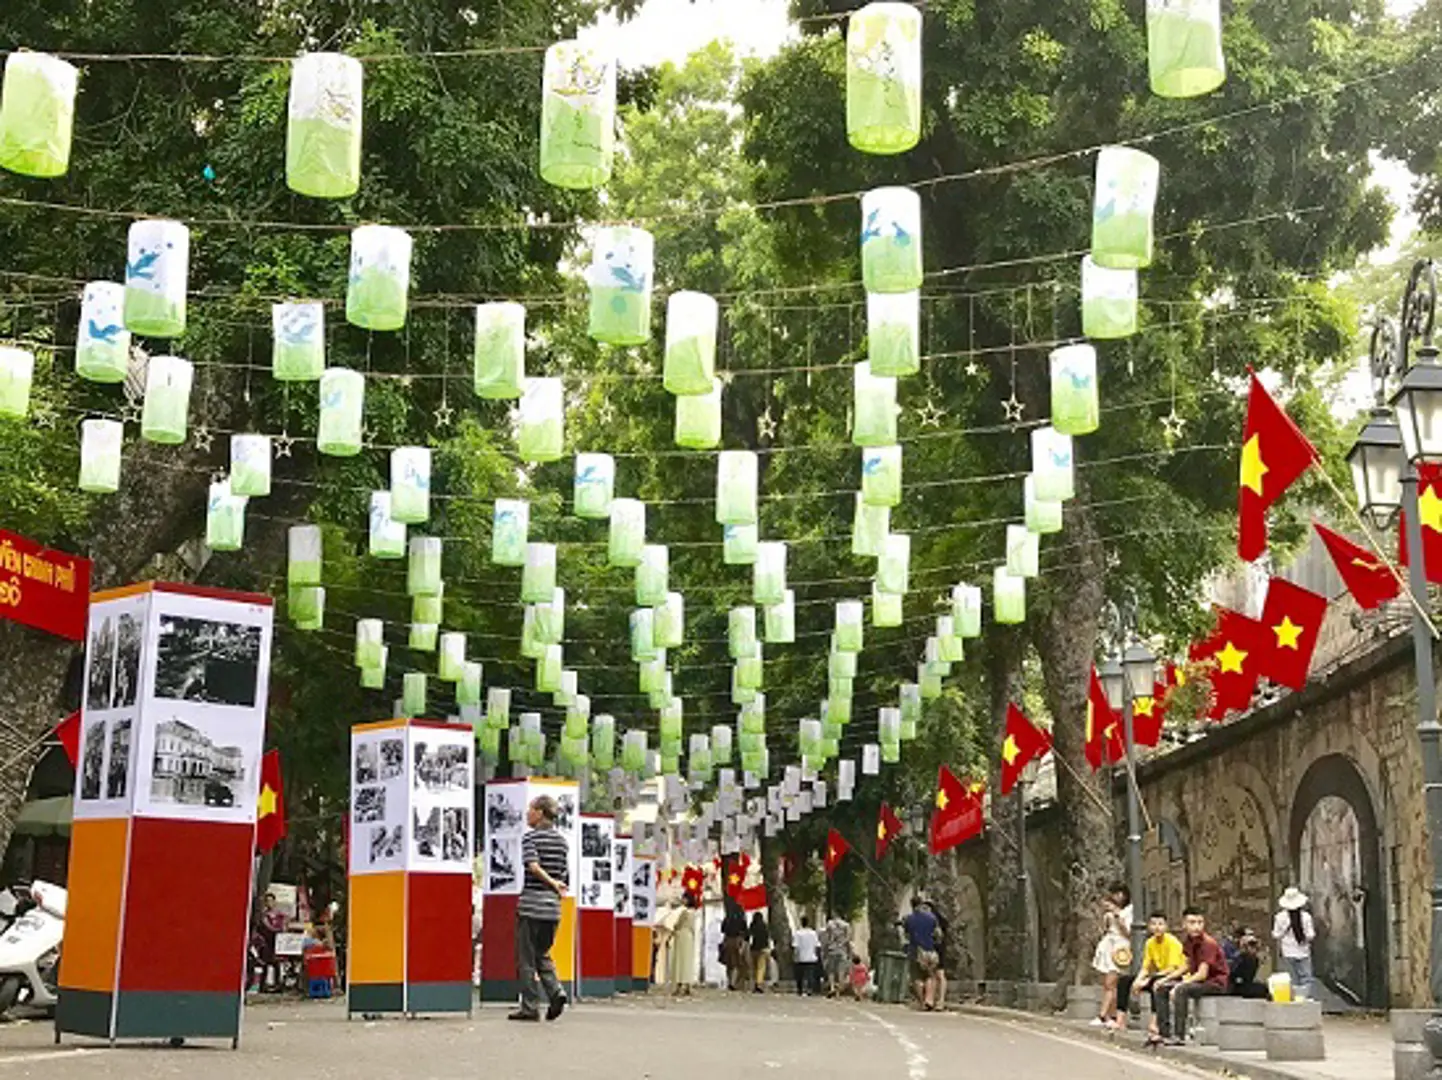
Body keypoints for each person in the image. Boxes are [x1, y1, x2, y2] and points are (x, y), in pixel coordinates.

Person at [510, 795, 570, 1022]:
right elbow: (564, 875)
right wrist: (556, 885)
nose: (527, 814)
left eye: (531, 809)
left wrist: (551, 882)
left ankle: (530, 1007)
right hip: (552, 908)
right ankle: (556, 991)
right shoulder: (562, 842)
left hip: (531, 906)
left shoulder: (530, 839)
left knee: (526, 957)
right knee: (542, 953)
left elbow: (533, 866)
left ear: (540, 813)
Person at [1154, 906, 1228, 1046]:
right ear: (1184, 924)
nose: (1196, 927)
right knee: (1161, 988)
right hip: (1199, 982)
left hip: (1215, 983)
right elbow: (1186, 966)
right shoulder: (1188, 941)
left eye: (1200, 922)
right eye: (1192, 922)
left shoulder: (1208, 943)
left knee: (1182, 990)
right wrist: (1165, 979)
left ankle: (1179, 1035)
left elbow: (1202, 974)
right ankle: (1164, 1033)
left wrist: (1180, 985)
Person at [1123, 911, 1185, 1037]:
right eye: (1153, 924)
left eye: (1160, 924)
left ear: (1166, 926)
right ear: (1149, 926)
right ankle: (1120, 1019)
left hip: (1175, 975)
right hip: (1159, 974)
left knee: (1155, 983)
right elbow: (1146, 967)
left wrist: (1149, 979)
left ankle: (1154, 1022)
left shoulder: (1172, 942)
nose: (1157, 927)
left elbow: (1172, 968)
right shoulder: (1149, 943)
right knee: (1124, 981)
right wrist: (1138, 980)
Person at [1090, 883, 1132, 1028]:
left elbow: (1128, 933)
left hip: (1121, 948)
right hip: (1109, 945)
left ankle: (1103, 1015)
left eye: (1120, 894)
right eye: (1114, 894)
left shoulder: (1129, 911)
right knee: (1108, 984)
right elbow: (1104, 930)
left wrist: (1118, 917)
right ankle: (1111, 1016)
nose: (1117, 897)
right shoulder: (1109, 913)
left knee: (1111, 982)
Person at [1272, 887, 1316, 1000]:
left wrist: (1284, 933)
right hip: (1303, 951)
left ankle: (1292, 999)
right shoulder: (1306, 917)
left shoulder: (1279, 917)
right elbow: (1310, 935)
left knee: (1291, 978)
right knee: (1306, 977)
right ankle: (1304, 998)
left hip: (1287, 952)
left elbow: (1276, 935)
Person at [901, 897, 941, 1010]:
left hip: (915, 950)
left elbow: (906, 935)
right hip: (929, 949)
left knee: (916, 977)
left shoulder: (909, 919)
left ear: (911, 905)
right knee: (929, 975)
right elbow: (938, 935)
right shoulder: (932, 918)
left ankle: (922, 1002)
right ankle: (929, 999)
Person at [1228, 927, 1268, 999]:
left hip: (1244, 984)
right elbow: (1232, 971)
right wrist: (1242, 950)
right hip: (1234, 986)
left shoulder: (1253, 958)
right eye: (1248, 935)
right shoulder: (1233, 951)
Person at [672, 892, 699, 997]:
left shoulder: (684, 912)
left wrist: (674, 929)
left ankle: (680, 984)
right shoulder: (694, 912)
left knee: (680, 961)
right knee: (688, 961)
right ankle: (687, 984)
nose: (682, 900)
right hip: (689, 936)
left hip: (682, 935)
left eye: (684, 898)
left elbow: (678, 925)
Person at [721, 898, 751, 991]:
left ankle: (729, 981)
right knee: (737, 963)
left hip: (727, 941)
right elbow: (746, 932)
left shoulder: (727, 918)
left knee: (729, 963)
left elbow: (722, 929)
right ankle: (734, 983)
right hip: (738, 941)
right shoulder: (742, 919)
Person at [822, 912, 851, 997]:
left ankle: (832, 988)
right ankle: (838, 991)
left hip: (832, 949)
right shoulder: (846, 925)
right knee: (841, 971)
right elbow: (848, 939)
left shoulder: (830, 924)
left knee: (831, 971)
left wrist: (825, 949)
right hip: (842, 950)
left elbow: (826, 938)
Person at [792, 916, 821, 996]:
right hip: (811, 957)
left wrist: (795, 956)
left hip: (801, 957)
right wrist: (816, 954)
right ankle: (810, 989)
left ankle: (800, 990)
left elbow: (796, 946)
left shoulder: (798, 933)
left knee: (799, 975)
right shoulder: (813, 933)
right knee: (810, 975)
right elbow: (817, 945)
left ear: (801, 923)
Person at [749, 911, 771, 993]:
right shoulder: (764, 926)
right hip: (763, 948)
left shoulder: (752, 925)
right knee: (761, 967)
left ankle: (755, 983)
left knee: (754, 967)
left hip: (754, 948)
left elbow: (749, 935)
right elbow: (767, 937)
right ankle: (759, 984)